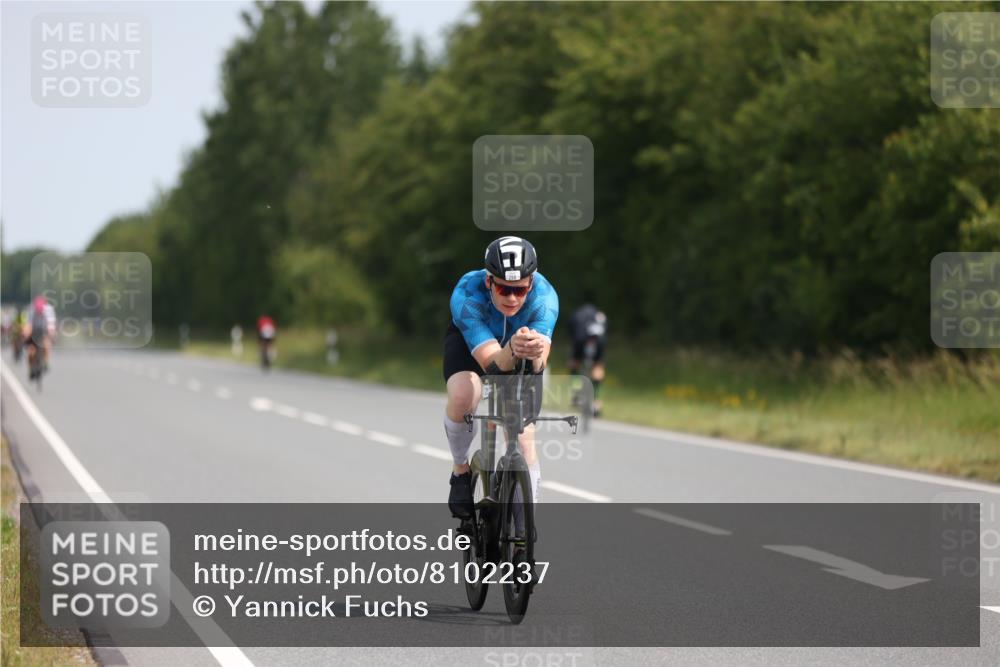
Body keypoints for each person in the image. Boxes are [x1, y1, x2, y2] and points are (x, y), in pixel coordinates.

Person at [444, 236, 559, 519]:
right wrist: (512, 349)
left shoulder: (545, 298)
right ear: (488, 282)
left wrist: (533, 354)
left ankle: (524, 528)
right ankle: (460, 470)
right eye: (504, 288)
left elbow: (540, 362)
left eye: (519, 290)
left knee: (523, 434)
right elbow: (492, 365)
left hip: (519, 348)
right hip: (474, 346)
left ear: (531, 283)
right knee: (464, 393)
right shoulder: (467, 294)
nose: (511, 298)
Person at [567, 302, 608, 416]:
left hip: (583, 338)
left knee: (582, 363)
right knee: (586, 364)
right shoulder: (597, 317)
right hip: (588, 340)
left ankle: (588, 397)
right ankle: (585, 395)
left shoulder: (578, 315)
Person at [24, 296, 51, 378]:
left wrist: (51, 332)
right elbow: (29, 325)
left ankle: (46, 362)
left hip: (42, 332)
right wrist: (26, 333)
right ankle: (31, 368)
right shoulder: (31, 311)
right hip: (33, 331)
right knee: (30, 352)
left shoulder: (47, 311)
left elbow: (50, 325)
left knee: (46, 345)